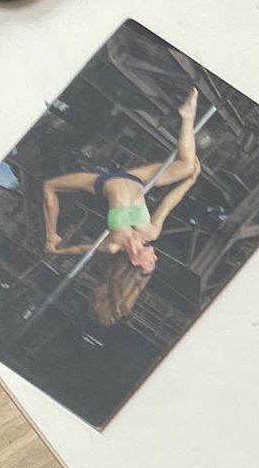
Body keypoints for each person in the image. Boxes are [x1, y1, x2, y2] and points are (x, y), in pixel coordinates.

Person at [40, 87, 201, 326]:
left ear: (136, 262)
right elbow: (168, 203)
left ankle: (49, 232)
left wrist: (53, 241)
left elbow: (81, 249)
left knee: (49, 186)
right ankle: (187, 115)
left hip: (103, 183)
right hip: (134, 179)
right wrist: (190, 181)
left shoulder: (113, 245)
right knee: (187, 166)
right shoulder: (150, 233)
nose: (155, 257)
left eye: (151, 262)